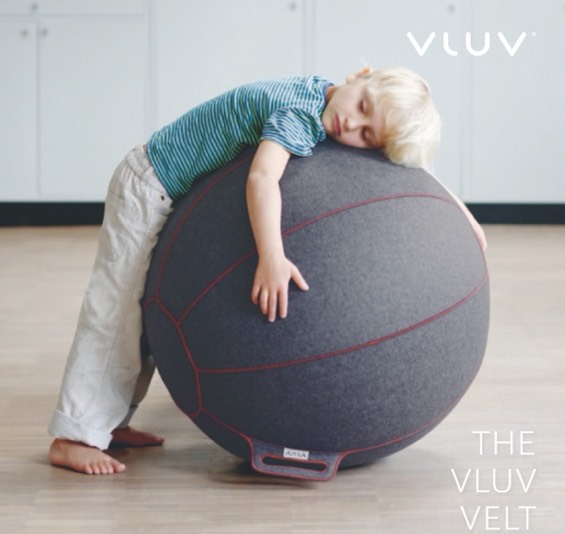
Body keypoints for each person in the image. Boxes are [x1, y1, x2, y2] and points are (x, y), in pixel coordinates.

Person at [48, 67, 486, 475]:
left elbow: (409, 165)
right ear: (360, 75)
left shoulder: (326, 96)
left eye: (367, 135)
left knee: (138, 320)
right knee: (116, 312)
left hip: (166, 189)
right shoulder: (298, 114)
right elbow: (261, 179)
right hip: (147, 186)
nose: (351, 124)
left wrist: (459, 210)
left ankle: (109, 423)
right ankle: (72, 437)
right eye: (362, 106)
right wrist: (271, 256)